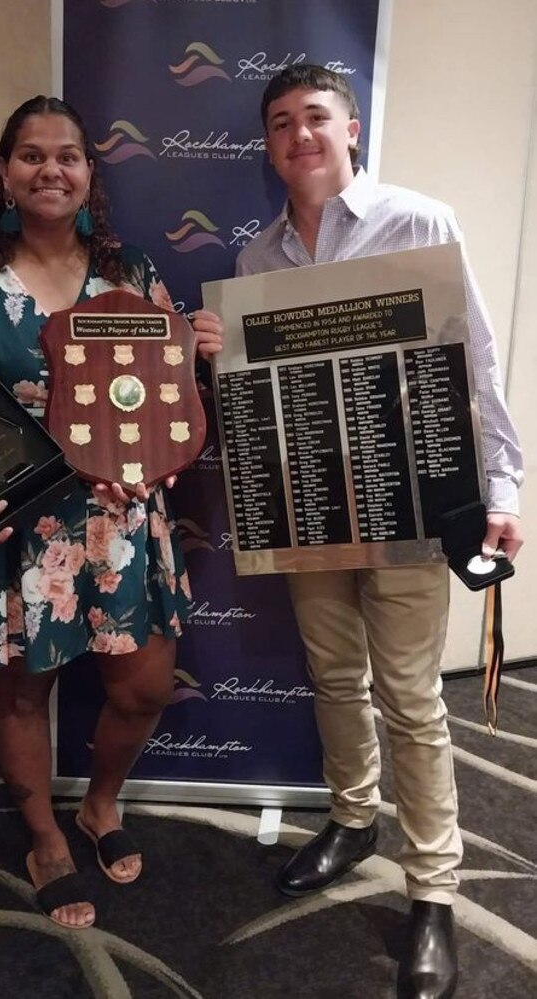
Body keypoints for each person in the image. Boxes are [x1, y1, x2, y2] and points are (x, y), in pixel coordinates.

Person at [0, 95, 223, 930]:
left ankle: (100, 804)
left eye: (67, 155)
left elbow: (167, 399)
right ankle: (44, 835)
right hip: (18, 522)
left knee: (144, 685)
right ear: (4, 171)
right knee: (21, 689)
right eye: (31, 155)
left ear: (88, 174)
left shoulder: (134, 272)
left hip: (123, 521)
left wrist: (199, 347)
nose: (50, 169)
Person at [236, 65, 523, 998]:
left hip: (413, 503)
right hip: (310, 506)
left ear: (351, 128)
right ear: (269, 144)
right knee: (332, 675)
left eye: (315, 117)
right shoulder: (254, 260)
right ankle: (353, 818)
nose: (299, 135)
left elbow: (474, 355)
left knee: (411, 696)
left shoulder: (419, 219)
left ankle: (434, 889)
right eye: (281, 123)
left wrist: (506, 488)